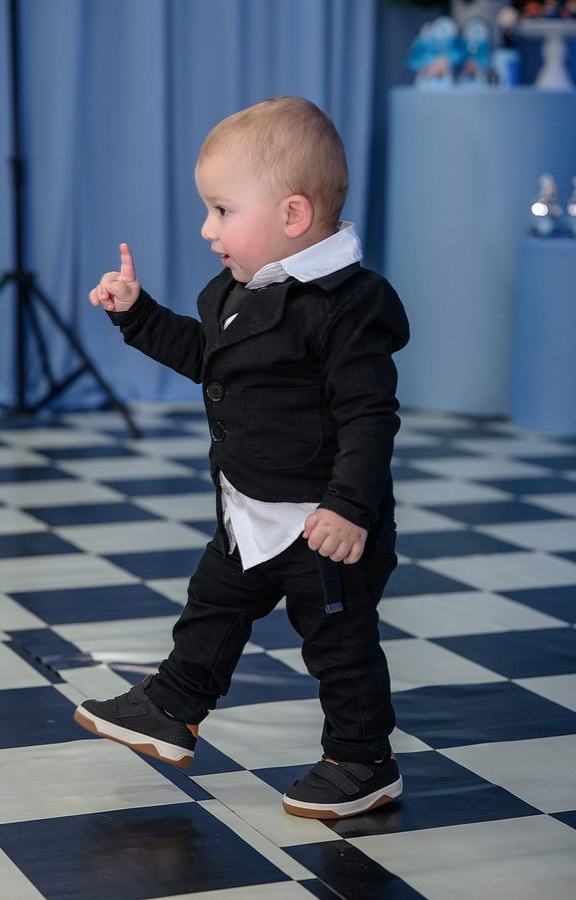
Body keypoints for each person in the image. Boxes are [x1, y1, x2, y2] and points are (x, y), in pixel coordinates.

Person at [74, 97, 409, 820]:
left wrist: (349, 507)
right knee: (213, 607)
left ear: (293, 215)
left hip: (323, 525)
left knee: (339, 647)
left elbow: (368, 415)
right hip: (251, 507)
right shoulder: (237, 292)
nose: (207, 229)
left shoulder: (348, 305)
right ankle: (171, 707)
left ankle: (362, 760)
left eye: (222, 210)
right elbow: (209, 357)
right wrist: (137, 314)